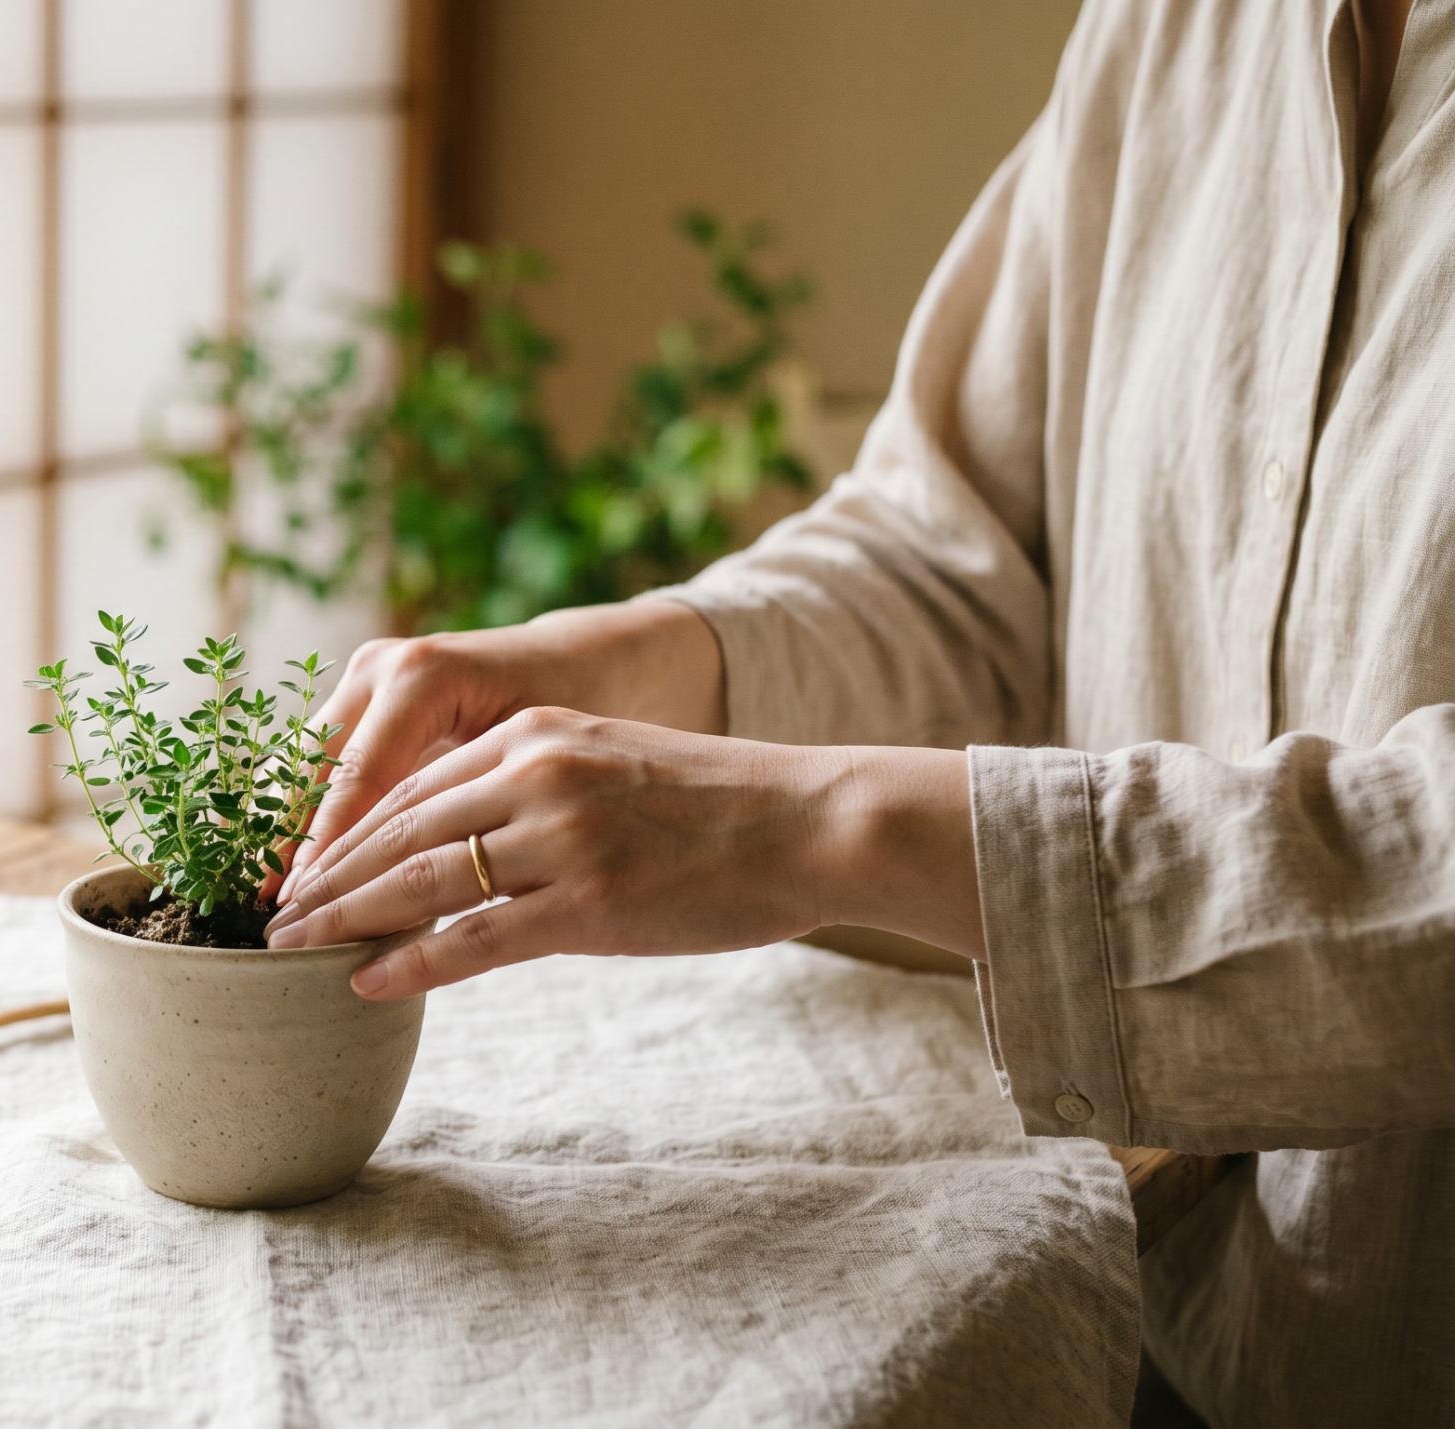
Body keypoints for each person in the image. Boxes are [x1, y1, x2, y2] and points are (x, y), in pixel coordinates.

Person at [262, 0, 1450, 1420]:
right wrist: (635, 655)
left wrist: (818, 824)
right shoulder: (1175, 29)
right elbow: (961, 552)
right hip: (1170, 1299)